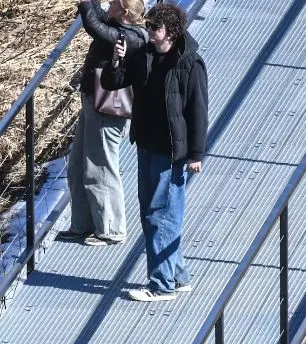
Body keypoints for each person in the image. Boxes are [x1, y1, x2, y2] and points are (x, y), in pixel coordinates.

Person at [104, 0, 208, 301]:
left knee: (160, 214)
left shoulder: (190, 63)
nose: (149, 31)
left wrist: (196, 155)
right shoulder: (144, 55)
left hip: (171, 150)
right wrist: (117, 60)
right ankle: (178, 276)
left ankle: (161, 284)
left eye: (155, 28)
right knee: (158, 213)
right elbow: (113, 82)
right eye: (148, 26)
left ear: (171, 32)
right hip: (147, 144)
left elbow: (198, 111)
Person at [64, 0, 148, 244]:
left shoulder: (130, 37)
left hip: (106, 110)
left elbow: (93, 25)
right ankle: (82, 224)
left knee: (100, 168)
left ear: (123, 11)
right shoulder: (118, 26)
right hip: (93, 103)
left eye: (112, 3)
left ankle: (111, 229)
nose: (107, 4)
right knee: (78, 165)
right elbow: (99, 17)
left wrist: (83, 3)